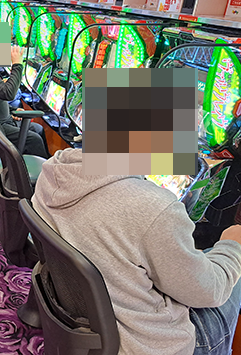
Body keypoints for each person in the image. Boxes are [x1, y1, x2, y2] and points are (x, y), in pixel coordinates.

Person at [31, 148, 241, 355]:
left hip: (82, 325)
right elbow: (210, 292)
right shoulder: (154, 207)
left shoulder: (54, 169)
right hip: (145, 345)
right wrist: (232, 246)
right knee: (232, 271)